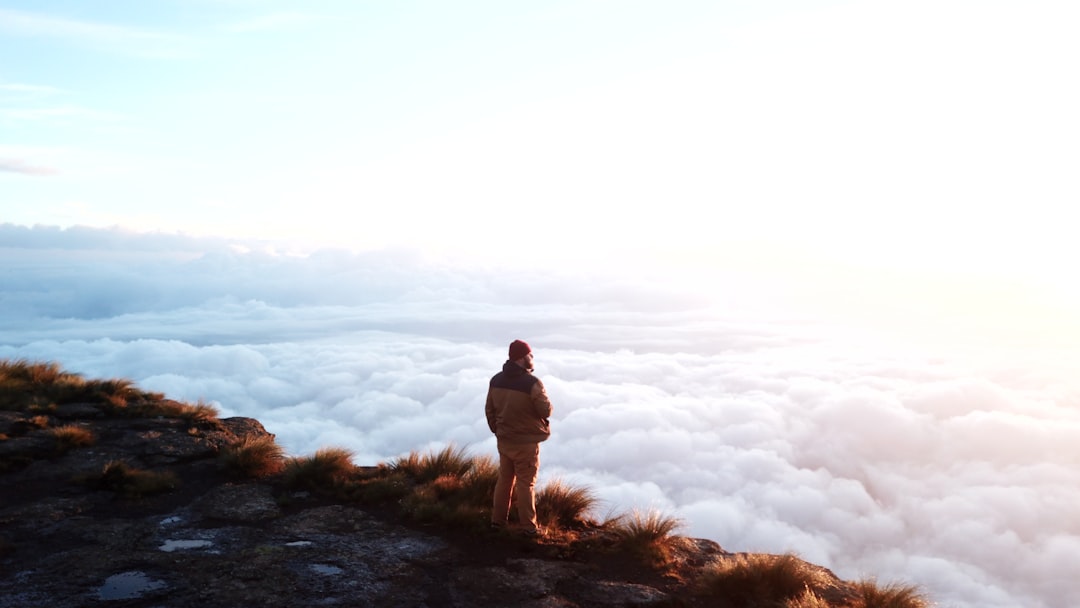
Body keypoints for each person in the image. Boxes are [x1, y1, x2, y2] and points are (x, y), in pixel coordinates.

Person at [485, 339, 553, 535]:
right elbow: (545, 411)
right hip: (526, 443)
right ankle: (528, 527)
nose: (532, 358)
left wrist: (497, 430)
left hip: (504, 440)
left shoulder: (496, 380)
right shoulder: (532, 383)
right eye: (530, 355)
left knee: (504, 480)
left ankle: (497, 522)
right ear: (522, 358)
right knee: (525, 483)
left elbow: (489, 410)